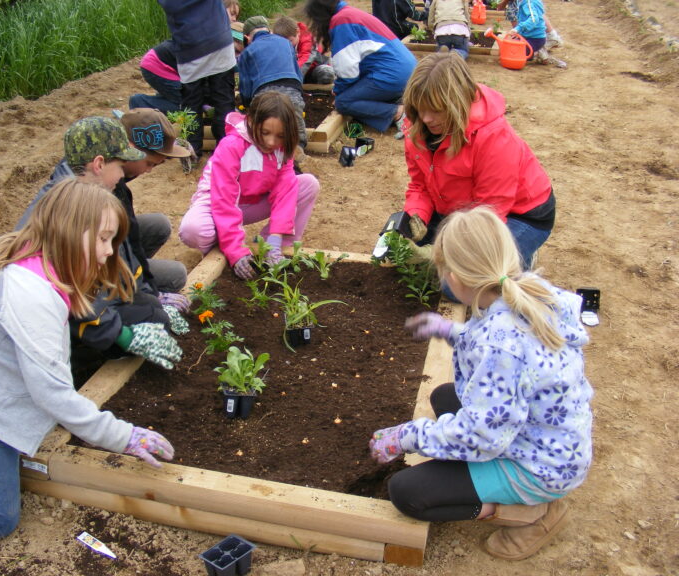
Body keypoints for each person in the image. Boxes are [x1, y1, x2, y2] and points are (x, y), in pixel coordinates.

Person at [0, 180, 177, 539]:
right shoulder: (30, 294)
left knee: (20, 444)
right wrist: (122, 436)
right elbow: (52, 393)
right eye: (102, 239)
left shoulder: (40, 265)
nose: (106, 253)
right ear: (70, 231)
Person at [370, 206, 593, 560]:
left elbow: (481, 435)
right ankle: (505, 488)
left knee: (408, 492)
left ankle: (532, 515)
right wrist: (451, 331)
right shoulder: (524, 292)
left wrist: (407, 437)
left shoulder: (503, 344)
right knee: (446, 395)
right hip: (553, 441)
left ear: (454, 277)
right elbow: (499, 348)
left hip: (539, 467)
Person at [18, 114, 190, 373]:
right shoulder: (70, 215)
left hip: (77, 294)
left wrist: (149, 294)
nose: (124, 175)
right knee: (150, 317)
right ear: (99, 164)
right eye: (121, 166)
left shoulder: (94, 187)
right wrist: (123, 335)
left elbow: (127, 249)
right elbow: (76, 294)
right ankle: (86, 364)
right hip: (48, 324)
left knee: (151, 308)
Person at [398, 52, 556, 274]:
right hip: (458, 209)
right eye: (420, 107)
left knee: (466, 282)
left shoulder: (493, 137)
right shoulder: (416, 127)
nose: (425, 118)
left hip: (518, 214)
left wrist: (444, 252)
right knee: (404, 260)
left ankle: (522, 257)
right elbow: (420, 185)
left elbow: (490, 213)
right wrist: (415, 217)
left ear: (457, 103)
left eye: (435, 109)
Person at [179, 92, 320, 280]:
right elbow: (224, 201)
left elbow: (285, 193)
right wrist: (236, 251)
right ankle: (219, 253)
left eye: (280, 136)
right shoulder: (232, 146)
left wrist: (274, 242)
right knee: (193, 230)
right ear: (252, 121)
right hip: (216, 204)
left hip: (250, 204)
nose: (271, 142)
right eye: (265, 133)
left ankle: (272, 246)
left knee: (308, 184)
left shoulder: (282, 149)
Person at [304, 0, 417, 138]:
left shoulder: (341, 21)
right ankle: (396, 101)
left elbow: (347, 71)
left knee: (344, 102)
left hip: (392, 74)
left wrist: (339, 91)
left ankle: (397, 112)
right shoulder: (349, 13)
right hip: (404, 70)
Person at [157, 0, 237, 158]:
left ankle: (191, 154)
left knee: (191, 106)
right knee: (224, 101)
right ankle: (226, 154)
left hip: (189, 48)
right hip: (218, 41)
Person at [238, 16, 309, 153]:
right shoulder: (285, 43)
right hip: (291, 86)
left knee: (264, 123)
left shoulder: (248, 51)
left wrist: (248, 105)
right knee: (295, 121)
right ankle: (298, 148)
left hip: (264, 90)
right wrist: (299, 92)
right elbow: (296, 71)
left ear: (247, 38)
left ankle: (266, 152)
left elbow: (245, 86)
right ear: (269, 30)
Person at [272, 16, 336, 85]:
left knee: (326, 72)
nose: (287, 45)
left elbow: (306, 59)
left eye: (290, 41)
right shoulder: (278, 42)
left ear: (298, 32)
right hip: (296, 73)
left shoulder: (307, 39)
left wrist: (292, 79)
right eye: (283, 42)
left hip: (314, 70)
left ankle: (323, 93)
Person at [129, 40, 183, 114]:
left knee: (181, 98)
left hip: (161, 62)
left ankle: (144, 105)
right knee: (188, 104)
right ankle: (140, 104)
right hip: (157, 64)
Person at [512, 0, 566, 67]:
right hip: (530, 36)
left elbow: (533, 19)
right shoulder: (529, 2)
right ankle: (538, 52)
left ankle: (537, 53)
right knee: (513, 46)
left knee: (517, 54)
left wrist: (518, 28)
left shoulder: (529, 4)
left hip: (535, 38)